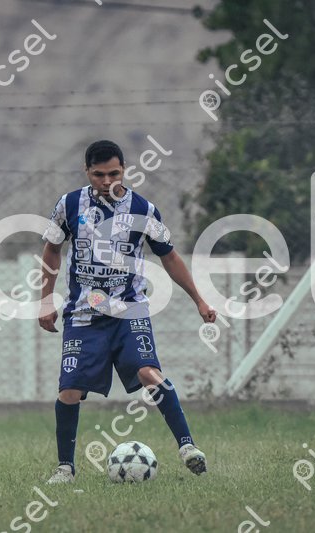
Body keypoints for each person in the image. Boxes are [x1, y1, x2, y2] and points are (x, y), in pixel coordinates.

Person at [39, 140, 217, 484]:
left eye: (114, 173)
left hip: (130, 311)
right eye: (99, 174)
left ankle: (187, 447)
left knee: (149, 372)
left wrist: (199, 299)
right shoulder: (69, 204)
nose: (107, 181)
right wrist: (46, 300)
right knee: (69, 391)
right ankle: (65, 468)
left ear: (124, 170)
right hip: (83, 315)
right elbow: (51, 250)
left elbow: (169, 256)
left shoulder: (143, 209)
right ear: (86, 171)